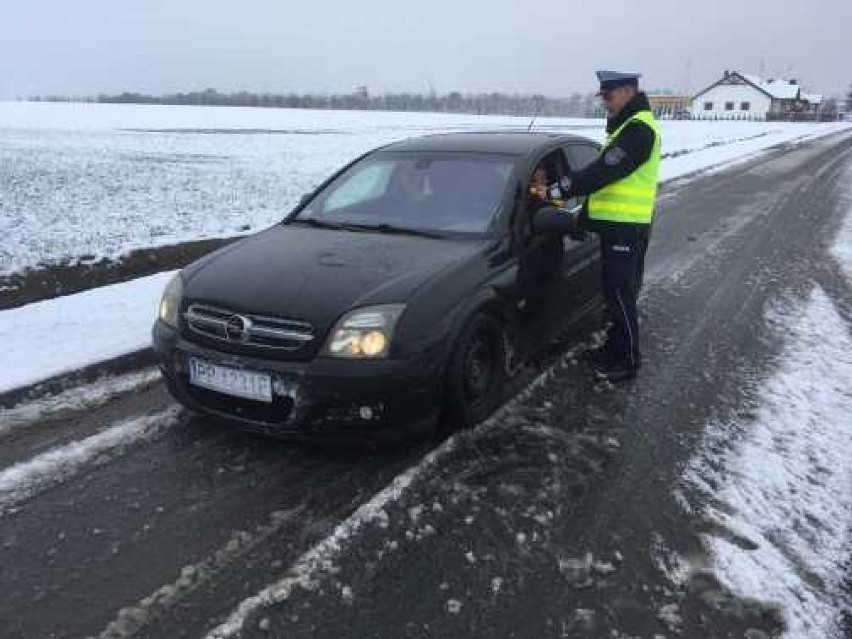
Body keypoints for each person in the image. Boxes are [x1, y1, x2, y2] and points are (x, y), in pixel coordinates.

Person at [537, 70, 661, 383]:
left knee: (621, 295)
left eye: (608, 95)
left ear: (628, 92)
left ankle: (628, 360)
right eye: (601, 96)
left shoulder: (638, 130)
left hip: (626, 229)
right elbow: (606, 184)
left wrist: (558, 190)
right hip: (615, 227)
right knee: (613, 293)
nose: (604, 102)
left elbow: (602, 172)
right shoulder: (625, 127)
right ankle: (613, 348)